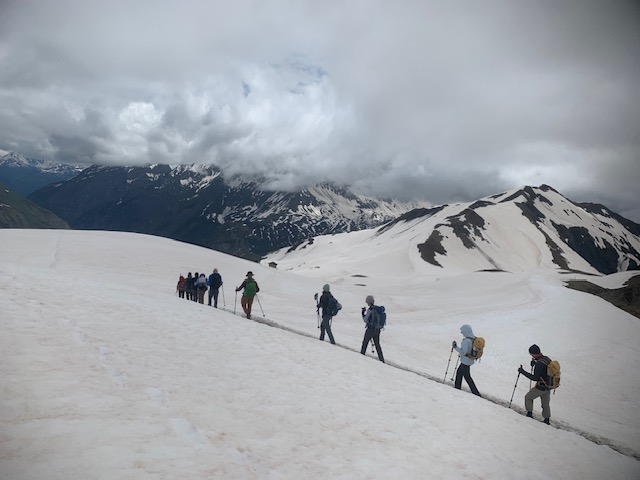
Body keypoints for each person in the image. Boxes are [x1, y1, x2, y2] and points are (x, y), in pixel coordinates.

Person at [518, 344, 552, 424]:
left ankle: (529, 414)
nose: (531, 355)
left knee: (528, 397)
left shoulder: (539, 364)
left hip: (541, 387)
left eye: (531, 354)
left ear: (533, 353)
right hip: (549, 386)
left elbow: (535, 378)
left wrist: (522, 372)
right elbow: (544, 369)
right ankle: (546, 420)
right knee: (545, 404)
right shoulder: (546, 358)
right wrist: (535, 362)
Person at [452, 324, 482, 397]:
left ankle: (475, 393)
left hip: (465, 361)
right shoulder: (474, 339)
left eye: (462, 332)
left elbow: (463, 352)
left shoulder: (466, 341)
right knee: (461, 373)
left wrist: (455, 347)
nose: (462, 333)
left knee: (467, 376)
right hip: (470, 360)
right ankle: (458, 387)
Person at [360, 295, 385, 362]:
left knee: (365, 342)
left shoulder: (370, 309)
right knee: (377, 344)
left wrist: (363, 313)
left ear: (368, 302)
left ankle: (361, 355)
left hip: (370, 329)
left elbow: (365, 319)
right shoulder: (378, 309)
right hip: (377, 329)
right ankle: (382, 359)